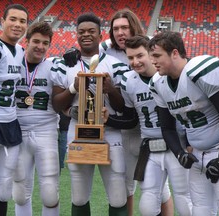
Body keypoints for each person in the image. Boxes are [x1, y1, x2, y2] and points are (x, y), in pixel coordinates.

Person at [63, 9, 174, 216]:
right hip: (125, 126)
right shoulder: (108, 49)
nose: (121, 33)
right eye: (116, 29)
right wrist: (73, 50)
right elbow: (87, 45)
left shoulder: (150, 44)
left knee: (160, 190)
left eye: (125, 27)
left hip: (150, 126)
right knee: (125, 187)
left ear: (134, 26)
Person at [148, 31, 219, 216]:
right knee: (200, 211)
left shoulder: (198, 71)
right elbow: (167, 127)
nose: (153, 61)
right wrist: (180, 154)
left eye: (157, 55)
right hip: (197, 155)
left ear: (175, 53)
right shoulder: (158, 83)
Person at [103, 35, 192, 216]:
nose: (135, 62)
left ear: (151, 54)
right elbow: (131, 119)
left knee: (184, 200)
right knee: (148, 205)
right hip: (149, 146)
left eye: (140, 56)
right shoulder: (129, 81)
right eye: (130, 57)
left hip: (177, 144)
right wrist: (108, 120)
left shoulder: (169, 75)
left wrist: (190, 143)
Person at [51, 12, 129, 216]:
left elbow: (122, 107)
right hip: (78, 131)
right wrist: (73, 88)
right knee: (78, 196)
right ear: (76, 35)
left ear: (100, 35)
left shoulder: (116, 65)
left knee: (118, 196)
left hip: (110, 131)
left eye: (91, 31)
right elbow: (57, 104)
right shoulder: (64, 64)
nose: (86, 35)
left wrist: (111, 89)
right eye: (81, 31)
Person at [0, 4, 28, 216]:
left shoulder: (20, 51)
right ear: (2, 21)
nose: (18, 25)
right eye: (13, 19)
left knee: (4, 189)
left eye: (22, 21)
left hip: (10, 122)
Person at [12, 21, 60, 216]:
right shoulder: (13, 64)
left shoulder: (55, 66)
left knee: (50, 192)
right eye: (36, 41)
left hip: (45, 131)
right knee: (20, 192)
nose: (40, 46)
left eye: (45, 43)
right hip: (17, 131)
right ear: (27, 41)